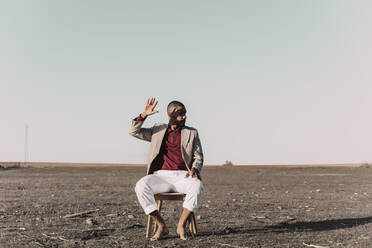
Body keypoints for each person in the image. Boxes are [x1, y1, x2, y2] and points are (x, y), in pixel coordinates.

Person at [129, 98, 204, 241]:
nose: (185, 116)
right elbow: (133, 131)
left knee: (197, 185)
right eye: (181, 114)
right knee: (141, 186)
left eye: (185, 113)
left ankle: (181, 225)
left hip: (183, 176)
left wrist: (195, 169)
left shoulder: (192, 133)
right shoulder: (158, 129)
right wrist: (144, 115)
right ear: (171, 116)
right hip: (160, 176)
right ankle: (161, 226)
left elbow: (198, 157)